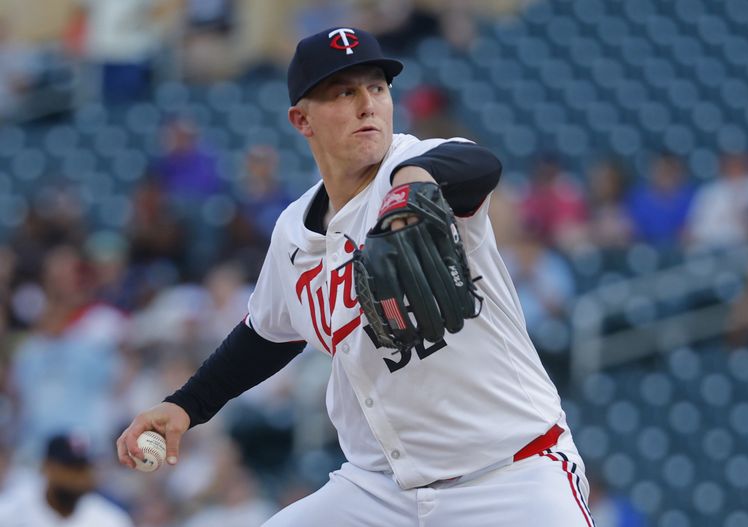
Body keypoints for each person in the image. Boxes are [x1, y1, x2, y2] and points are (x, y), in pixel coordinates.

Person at [117, 27, 594, 526]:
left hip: (507, 473)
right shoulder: (293, 233)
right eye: (345, 92)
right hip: (380, 492)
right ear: (302, 120)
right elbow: (266, 335)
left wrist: (411, 191)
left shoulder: (416, 164)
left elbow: (476, 162)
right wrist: (186, 406)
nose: (368, 104)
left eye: (377, 88)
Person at [0, 433, 133, 526]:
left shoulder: (111, 521)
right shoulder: (8, 514)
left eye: (84, 468)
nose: (78, 476)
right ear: (46, 466)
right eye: (70, 467)